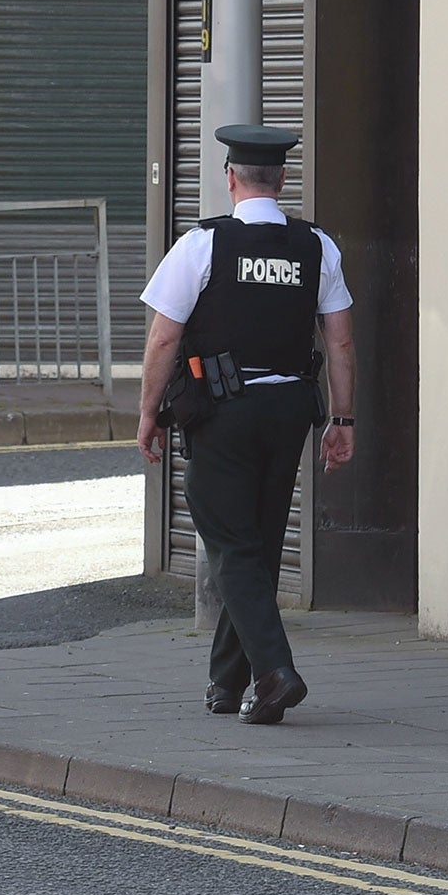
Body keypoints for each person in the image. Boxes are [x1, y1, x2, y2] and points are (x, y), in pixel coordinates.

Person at [136, 124, 355, 725]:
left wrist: (149, 412)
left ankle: (275, 673)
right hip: (289, 412)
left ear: (229, 179)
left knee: (229, 542)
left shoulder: (202, 244)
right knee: (252, 544)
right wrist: (343, 418)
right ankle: (227, 686)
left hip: (223, 412)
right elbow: (339, 340)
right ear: (281, 180)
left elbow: (163, 338)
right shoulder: (318, 247)